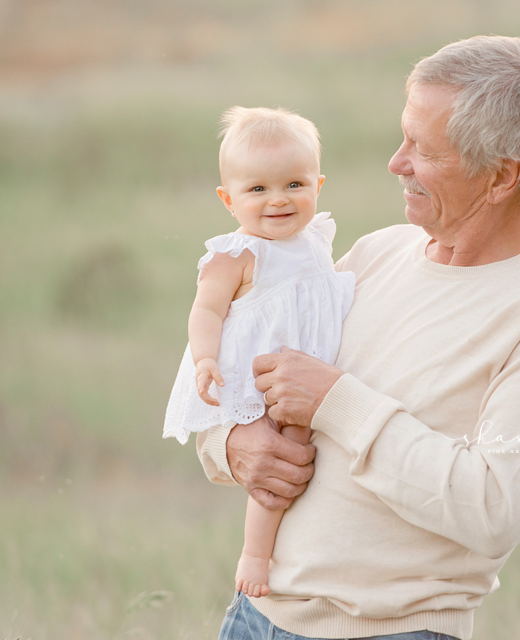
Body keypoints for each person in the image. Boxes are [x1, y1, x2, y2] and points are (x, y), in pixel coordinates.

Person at [196, 36, 520, 640]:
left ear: (500, 177)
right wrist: (230, 445)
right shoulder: (378, 252)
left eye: (423, 148)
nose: (397, 162)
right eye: (404, 135)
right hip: (257, 618)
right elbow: (237, 364)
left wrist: (336, 401)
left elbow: (490, 510)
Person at [163, 106, 355, 598]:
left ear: (318, 185)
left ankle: (307, 550)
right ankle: (256, 553)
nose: (279, 200)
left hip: (309, 371)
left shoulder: (315, 238)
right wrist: (205, 359)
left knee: (305, 451)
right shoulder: (236, 253)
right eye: (258, 190)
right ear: (229, 199)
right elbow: (205, 312)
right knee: (279, 459)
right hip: (260, 374)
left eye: (294, 184)